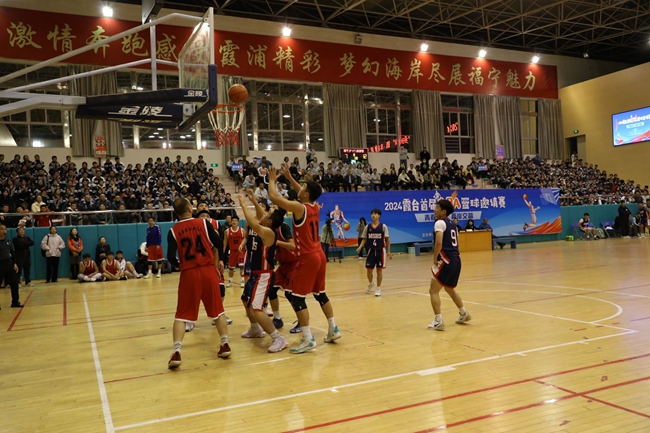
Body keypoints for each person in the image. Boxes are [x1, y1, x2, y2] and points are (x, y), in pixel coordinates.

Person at [268, 165, 340, 354]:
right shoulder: (314, 205)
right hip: (319, 254)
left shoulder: (299, 208)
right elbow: (303, 191)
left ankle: (307, 338)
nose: (299, 188)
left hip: (308, 257)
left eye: (303, 187)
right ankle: (333, 328)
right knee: (320, 294)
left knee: (296, 297)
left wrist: (273, 180)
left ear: (306, 194)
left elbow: (273, 197)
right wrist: (289, 177)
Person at [166, 197, 231, 369]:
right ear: (190, 208)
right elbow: (219, 244)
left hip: (189, 273)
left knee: (181, 315)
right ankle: (225, 343)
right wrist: (218, 259)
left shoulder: (173, 230)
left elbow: (170, 256)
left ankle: (177, 351)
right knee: (218, 310)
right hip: (208, 271)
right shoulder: (203, 223)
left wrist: (178, 265)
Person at [236, 194, 288, 353]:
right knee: (246, 300)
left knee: (257, 308)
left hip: (264, 275)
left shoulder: (268, 232)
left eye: (267, 214)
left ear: (269, 221)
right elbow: (260, 216)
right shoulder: (262, 224)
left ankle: (278, 338)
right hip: (254, 273)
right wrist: (253, 200)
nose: (263, 214)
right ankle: (255, 329)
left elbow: (253, 222)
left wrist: (243, 204)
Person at [428, 199, 471, 331]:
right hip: (456, 259)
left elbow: (439, 242)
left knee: (433, 291)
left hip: (446, 259)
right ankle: (463, 313)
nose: (434, 210)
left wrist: (435, 257)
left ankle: (438, 320)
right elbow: (456, 244)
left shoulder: (439, 223)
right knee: (449, 289)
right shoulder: (453, 225)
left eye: (437, 207)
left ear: (443, 211)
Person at [357, 209, 392, 297]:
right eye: (372, 214)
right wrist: (360, 247)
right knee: (369, 270)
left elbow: (387, 239)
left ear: (379, 216)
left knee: (379, 270)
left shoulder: (383, 226)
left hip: (380, 250)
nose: (373, 215)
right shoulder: (367, 227)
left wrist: (388, 251)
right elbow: (364, 239)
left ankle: (378, 288)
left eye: (375, 214)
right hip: (371, 250)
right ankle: (371, 283)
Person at [0, 224, 22, 308]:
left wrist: (14, 263)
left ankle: (15, 302)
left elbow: (12, 253)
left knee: (14, 283)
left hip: (9, 263)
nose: (4, 231)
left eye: (5, 229)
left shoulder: (8, 241)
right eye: (2, 229)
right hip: (0, 264)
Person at [223, 216, 244, 288]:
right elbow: (225, 241)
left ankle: (242, 281)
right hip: (232, 251)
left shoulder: (242, 230)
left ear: (238, 222)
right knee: (231, 268)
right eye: (233, 220)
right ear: (231, 222)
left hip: (240, 251)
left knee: (241, 267)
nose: (234, 222)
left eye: (236, 221)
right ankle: (230, 281)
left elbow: (245, 240)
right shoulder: (227, 231)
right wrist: (223, 249)